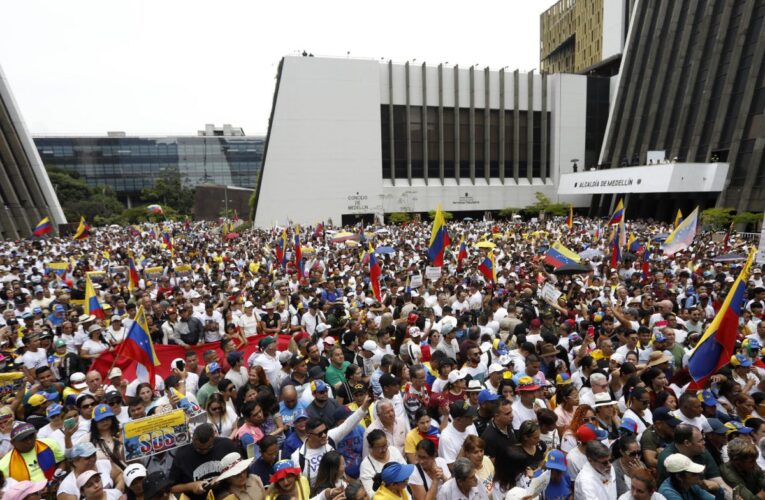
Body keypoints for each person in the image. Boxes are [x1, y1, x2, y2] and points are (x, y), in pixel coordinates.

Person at [168, 423, 239, 500]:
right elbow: (172, 488)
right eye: (199, 449)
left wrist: (221, 477)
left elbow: (241, 468)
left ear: (214, 437)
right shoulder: (182, 455)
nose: (204, 452)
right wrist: (191, 486)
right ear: (193, 439)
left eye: (208, 448)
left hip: (226, 493)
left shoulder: (226, 445)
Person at [359, 429, 406, 498]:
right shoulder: (366, 465)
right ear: (371, 447)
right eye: (380, 447)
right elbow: (371, 494)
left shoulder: (393, 451)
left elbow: (406, 472)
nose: (384, 450)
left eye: (385, 445)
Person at [439, 401, 478, 465]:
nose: (472, 417)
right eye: (469, 415)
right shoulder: (446, 438)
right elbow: (452, 467)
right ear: (458, 420)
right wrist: (465, 446)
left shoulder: (470, 425)